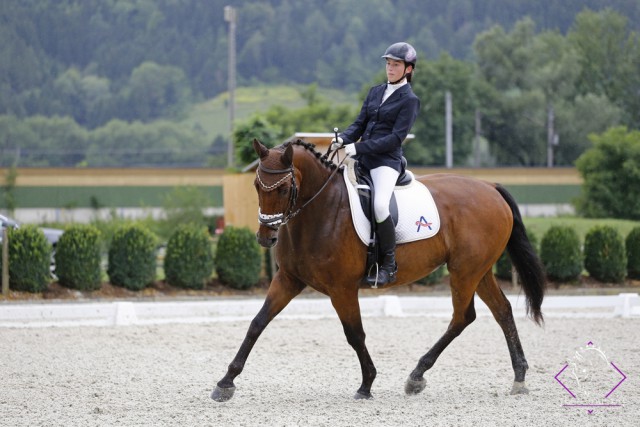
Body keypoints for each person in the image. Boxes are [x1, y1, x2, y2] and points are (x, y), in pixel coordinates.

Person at [332, 42, 420, 286]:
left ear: (408, 69)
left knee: (380, 206)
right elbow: (359, 124)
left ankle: (389, 264)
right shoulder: (375, 91)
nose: (390, 69)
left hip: (386, 162)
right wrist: (342, 139)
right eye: (388, 64)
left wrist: (358, 147)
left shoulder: (410, 100)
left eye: (396, 65)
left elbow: (395, 139)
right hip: (362, 159)